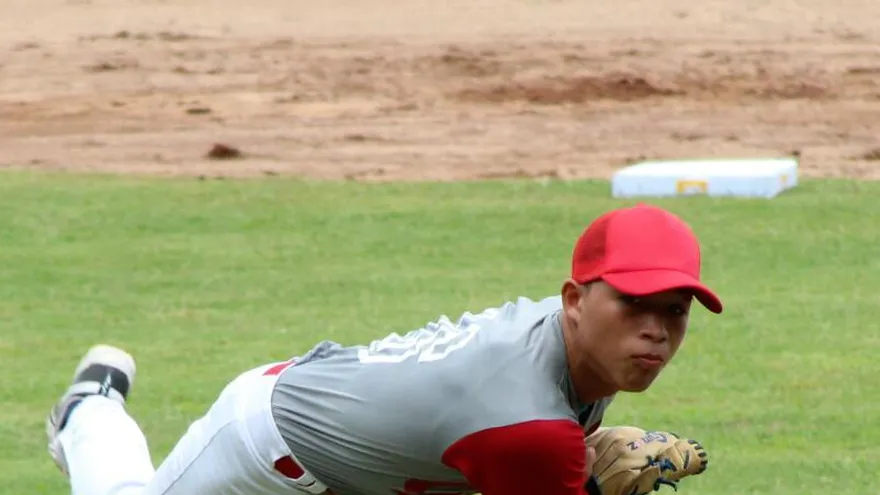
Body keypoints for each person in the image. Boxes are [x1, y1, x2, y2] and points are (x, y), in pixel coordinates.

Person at [46, 203, 723, 495]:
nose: (655, 329)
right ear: (575, 299)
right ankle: (89, 409)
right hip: (265, 446)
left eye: (674, 309)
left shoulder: (582, 352)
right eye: (633, 302)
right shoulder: (531, 426)